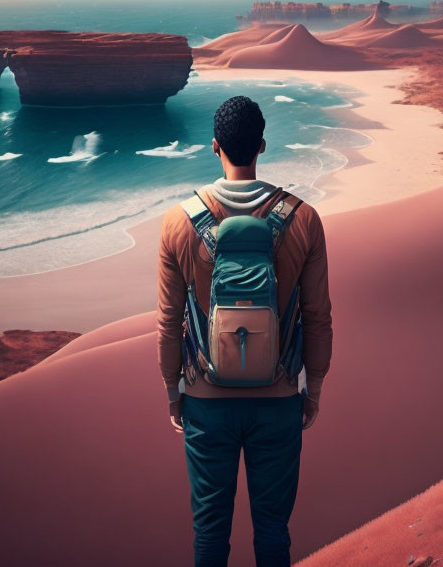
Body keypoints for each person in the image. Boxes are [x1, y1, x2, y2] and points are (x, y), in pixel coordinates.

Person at [156, 94, 333, 567]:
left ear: (215, 146)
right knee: (273, 532)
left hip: (204, 401)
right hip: (277, 401)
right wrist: (311, 389)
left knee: (209, 535)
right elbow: (318, 317)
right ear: (262, 146)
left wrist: (173, 393)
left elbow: (168, 323)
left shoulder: (177, 222)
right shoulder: (304, 219)